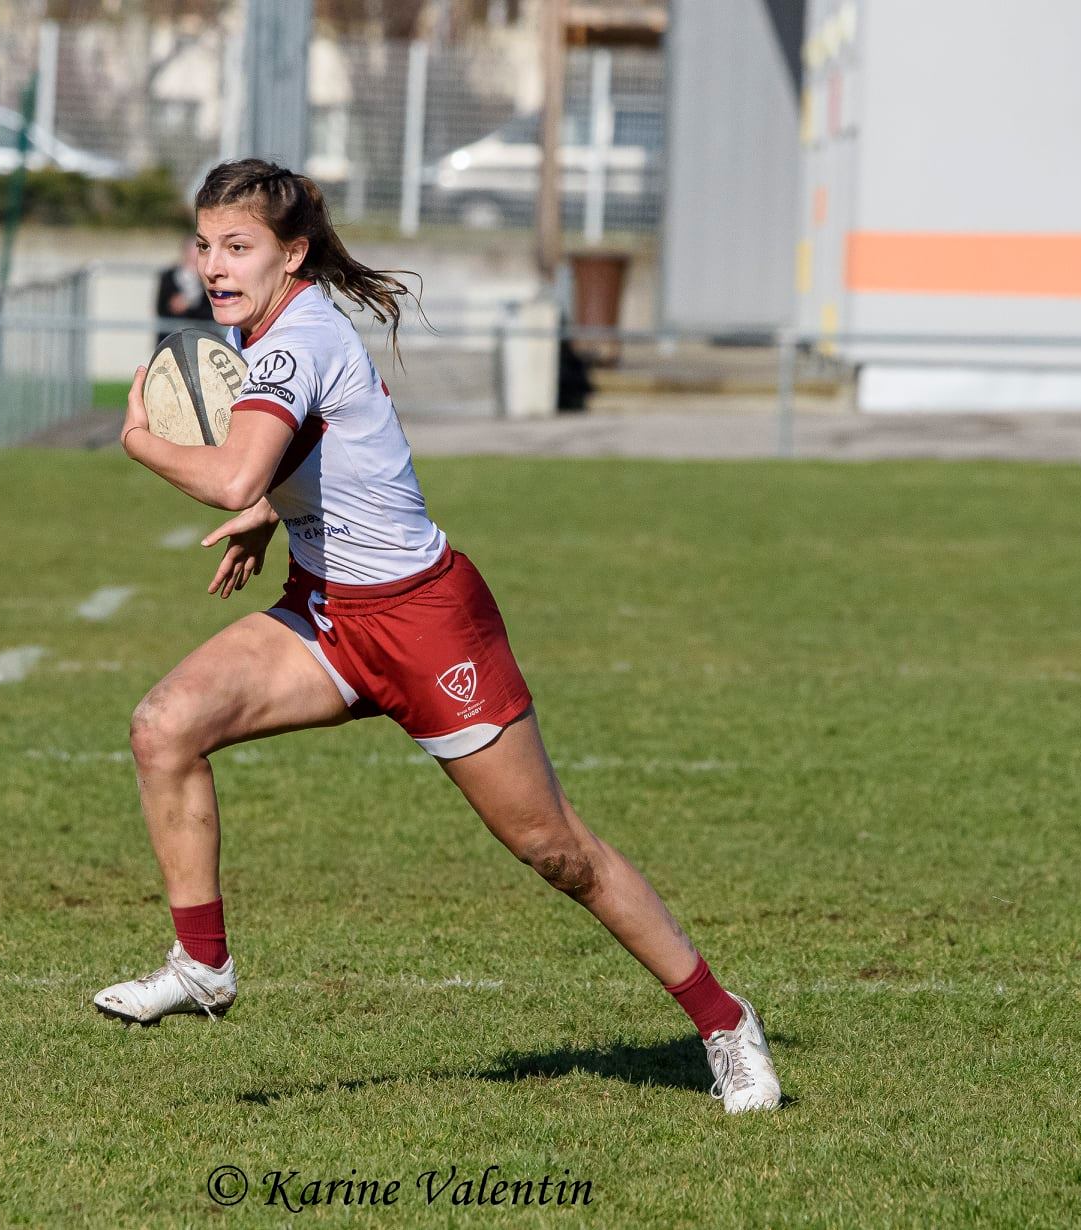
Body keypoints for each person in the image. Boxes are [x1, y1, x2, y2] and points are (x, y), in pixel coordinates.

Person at [95, 159, 781, 1114]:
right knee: (164, 725)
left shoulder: (295, 339)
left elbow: (227, 475)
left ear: (291, 256)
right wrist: (269, 515)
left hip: (427, 624)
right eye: (205, 243)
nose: (214, 263)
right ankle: (203, 964)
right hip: (329, 614)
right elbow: (331, 442)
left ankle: (723, 1019)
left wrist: (143, 445)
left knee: (556, 851)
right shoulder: (263, 334)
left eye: (238, 246)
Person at [156, 234, 217, 344]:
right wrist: (174, 306)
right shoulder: (169, 276)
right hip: (172, 336)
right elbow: (161, 308)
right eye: (192, 250)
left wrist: (191, 304)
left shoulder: (209, 277)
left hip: (202, 337)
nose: (195, 255)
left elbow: (212, 312)